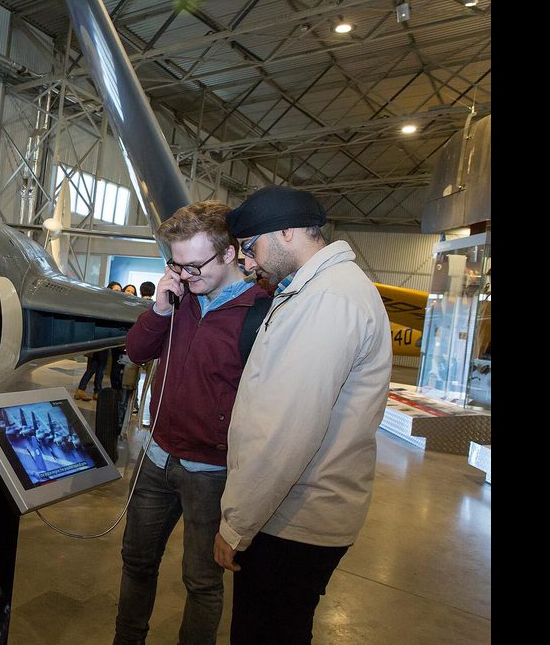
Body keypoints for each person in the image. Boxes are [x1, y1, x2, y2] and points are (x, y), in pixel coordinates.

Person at [213, 185, 393, 645]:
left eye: (250, 249)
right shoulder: (315, 289)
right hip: (289, 512)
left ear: (286, 231)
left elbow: (288, 431)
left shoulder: (330, 298)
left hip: (294, 520)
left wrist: (237, 523)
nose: (248, 263)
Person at [114, 200, 269, 645]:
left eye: (193, 265)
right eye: (175, 264)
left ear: (229, 254)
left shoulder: (260, 313)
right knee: (136, 561)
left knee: (201, 581)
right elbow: (138, 352)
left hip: (212, 472)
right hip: (156, 456)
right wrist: (161, 309)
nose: (184, 275)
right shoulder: (179, 297)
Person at [75, 281, 123, 401]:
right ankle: (82, 389)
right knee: (95, 365)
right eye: (116, 290)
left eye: (120, 291)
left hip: (106, 340)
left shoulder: (115, 304)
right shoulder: (104, 304)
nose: (119, 293)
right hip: (100, 339)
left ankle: (95, 391)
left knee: (100, 366)